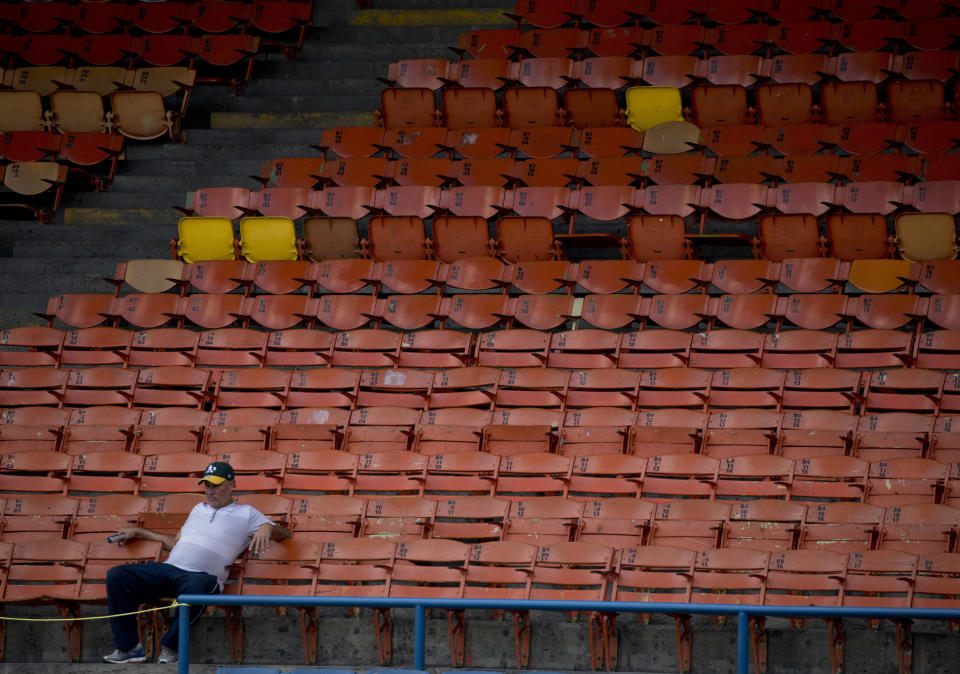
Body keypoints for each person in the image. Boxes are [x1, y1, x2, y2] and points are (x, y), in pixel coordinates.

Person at [102, 461, 292, 664]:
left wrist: (266, 526)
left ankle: (170, 647)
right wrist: (139, 532)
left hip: (200, 578)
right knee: (118, 575)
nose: (210, 491)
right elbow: (175, 543)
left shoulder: (247, 513)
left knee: (198, 586)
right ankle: (129, 648)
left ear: (232, 484)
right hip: (170, 569)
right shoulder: (198, 509)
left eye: (216, 485)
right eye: (207, 486)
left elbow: (285, 534)